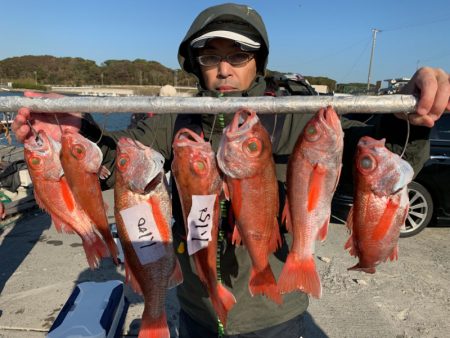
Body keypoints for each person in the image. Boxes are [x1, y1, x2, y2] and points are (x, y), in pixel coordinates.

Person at [12, 3, 450, 337]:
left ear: (258, 61)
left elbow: (374, 162)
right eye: (209, 55)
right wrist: (76, 134)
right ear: (194, 62)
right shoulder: (174, 117)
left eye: (238, 54)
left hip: (275, 310)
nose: (223, 68)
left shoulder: (296, 113)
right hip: (196, 304)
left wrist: (404, 116)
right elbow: (116, 164)